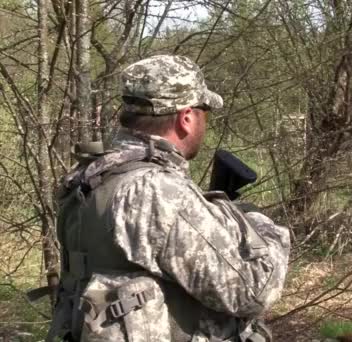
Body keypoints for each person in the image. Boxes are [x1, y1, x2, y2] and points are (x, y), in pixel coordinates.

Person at [47, 55, 291, 342]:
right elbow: (251, 292)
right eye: (204, 112)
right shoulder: (156, 192)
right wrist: (261, 226)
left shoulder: (90, 174)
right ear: (186, 118)